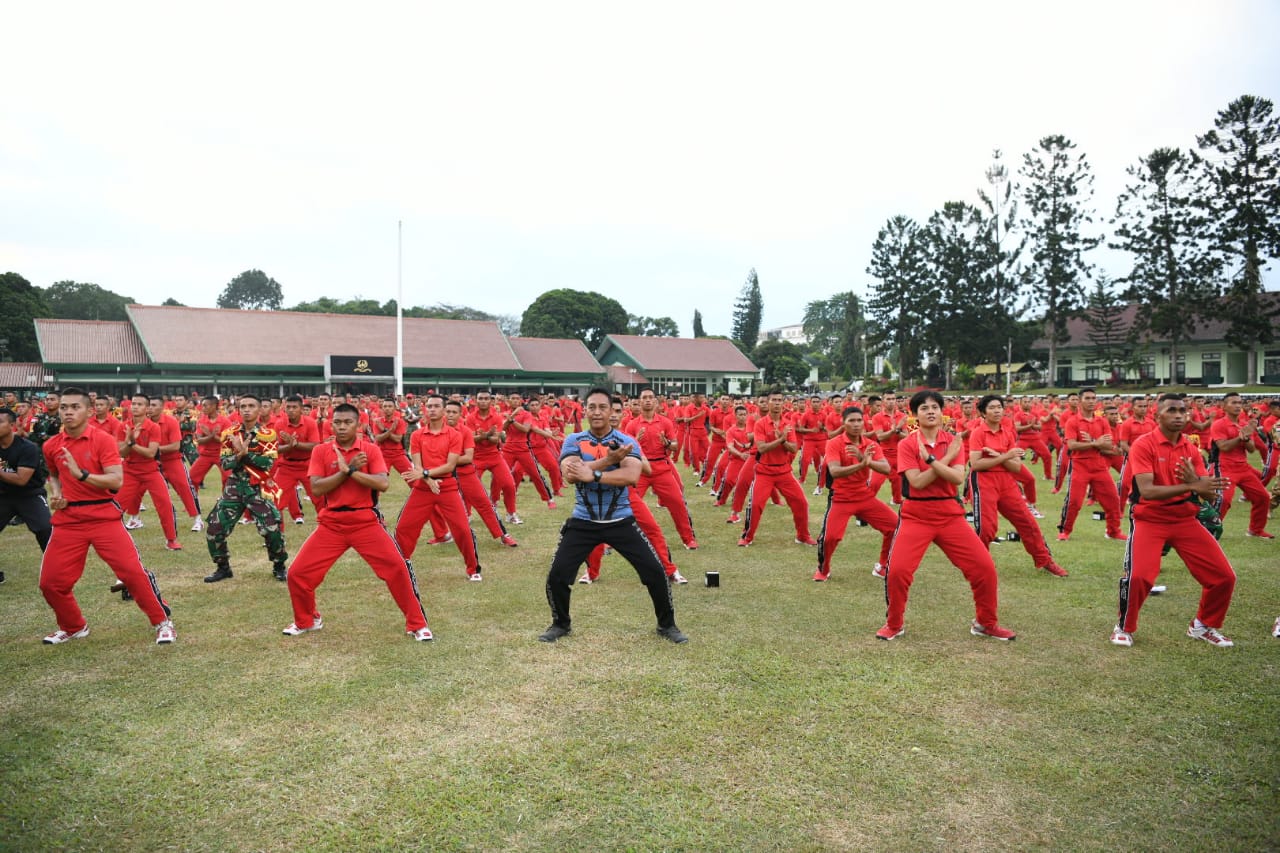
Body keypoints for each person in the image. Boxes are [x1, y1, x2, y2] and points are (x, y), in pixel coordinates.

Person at [538, 387, 688, 644]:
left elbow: (631, 476)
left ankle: (667, 625)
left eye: (602, 408)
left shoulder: (626, 441)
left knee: (655, 572)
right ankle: (560, 623)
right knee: (558, 576)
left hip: (621, 521)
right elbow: (570, 474)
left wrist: (593, 473)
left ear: (612, 412)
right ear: (585, 410)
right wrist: (607, 462)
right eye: (592, 407)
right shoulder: (573, 440)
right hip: (583, 521)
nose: (597, 412)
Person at [282, 403, 433, 641]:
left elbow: (382, 483)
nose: (342, 427)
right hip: (331, 524)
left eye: (347, 422)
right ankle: (307, 620)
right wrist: (345, 471)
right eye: (337, 422)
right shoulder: (321, 451)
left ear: (358, 425)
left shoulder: (370, 450)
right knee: (298, 573)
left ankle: (417, 624)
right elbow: (317, 488)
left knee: (397, 568)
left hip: (366, 522)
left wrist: (352, 472)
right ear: (331, 424)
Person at [37, 388, 175, 645]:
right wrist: (57, 493)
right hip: (68, 520)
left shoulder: (103, 440)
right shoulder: (51, 445)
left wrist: (82, 475)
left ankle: (162, 622)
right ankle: (73, 626)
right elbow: (54, 474)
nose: (68, 411)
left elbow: (116, 480)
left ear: (89, 411)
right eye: (64, 407)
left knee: (132, 574)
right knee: (51, 582)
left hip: (103, 516)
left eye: (74, 407)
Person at [877, 390, 1015, 642]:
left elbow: (957, 478)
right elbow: (916, 482)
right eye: (924, 408)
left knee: (984, 568)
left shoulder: (953, 441)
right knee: (897, 572)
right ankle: (894, 623)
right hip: (916, 515)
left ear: (942, 412)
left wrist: (932, 459)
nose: (930, 411)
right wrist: (945, 460)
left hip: (950, 514)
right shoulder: (907, 444)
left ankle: (986, 623)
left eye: (935, 407)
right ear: (915, 415)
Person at [1111, 394, 1237, 647]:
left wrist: (1198, 486)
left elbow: (1210, 492)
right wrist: (1191, 485)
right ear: (1158, 416)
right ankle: (1123, 626)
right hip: (1150, 518)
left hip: (1184, 519)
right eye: (1172, 410)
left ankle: (1202, 626)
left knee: (1224, 576)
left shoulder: (1190, 448)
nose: (1179, 415)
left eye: (1183, 410)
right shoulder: (1144, 445)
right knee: (1139, 577)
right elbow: (1148, 491)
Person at [967, 395, 1066, 577]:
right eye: (992, 408)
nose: (997, 411)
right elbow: (976, 464)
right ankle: (979, 565)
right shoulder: (978, 433)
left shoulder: (1006, 433)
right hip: (983, 481)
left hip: (1006, 481)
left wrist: (997, 455)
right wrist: (1005, 456)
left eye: (999, 407)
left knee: (1027, 522)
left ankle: (1044, 560)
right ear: (982, 413)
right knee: (987, 528)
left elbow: (1016, 466)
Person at [394, 393, 483, 580]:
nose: (432, 409)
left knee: (462, 529)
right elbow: (417, 465)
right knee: (404, 527)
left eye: (436, 406)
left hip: (448, 487)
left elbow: (450, 466)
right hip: (423, 488)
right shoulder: (417, 435)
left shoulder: (455, 435)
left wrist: (426, 473)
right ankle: (402, 566)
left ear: (443, 411)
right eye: (429, 406)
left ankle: (473, 569)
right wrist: (427, 479)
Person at [203, 394, 289, 583]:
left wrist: (244, 454)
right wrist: (238, 456)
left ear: (259, 410)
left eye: (251, 406)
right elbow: (225, 464)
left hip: (258, 485)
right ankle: (223, 567)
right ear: (238, 409)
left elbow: (267, 463)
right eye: (243, 406)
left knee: (271, 528)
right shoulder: (229, 433)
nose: (247, 409)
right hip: (234, 485)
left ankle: (279, 565)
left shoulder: (267, 434)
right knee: (214, 528)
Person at [815, 406, 898, 582]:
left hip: (864, 496)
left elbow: (885, 468)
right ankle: (824, 568)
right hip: (841, 497)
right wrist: (861, 464)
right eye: (851, 420)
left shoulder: (871, 444)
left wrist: (864, 459)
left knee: (894, 526)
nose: (856, 424)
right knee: (830, 537)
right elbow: (835, 471)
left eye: (859, 420)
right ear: (843, 423)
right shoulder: (834, 443)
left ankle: (882, 566)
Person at [739, 390, 814, 547]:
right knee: (756, 505)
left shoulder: (788, 424)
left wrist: (783, 441)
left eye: (780, 400)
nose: (777, 403)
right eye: (774, 400)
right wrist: (781, 439)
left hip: (784, 471)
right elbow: (761, 448)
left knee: (801, 502)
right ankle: (747, 537)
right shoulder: (760, 423)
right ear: (769, 402)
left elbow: (793, 448)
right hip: (764, 471)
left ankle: (802, 535)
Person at [1057, 388, 1125, 542]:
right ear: (1080, 401)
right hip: (1080, 465)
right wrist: (1097, 443)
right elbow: (1072, 445)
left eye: (1093, 398)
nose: (1091, 401)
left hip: (1098, 464)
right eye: (1087, 398)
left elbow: (1108, 445)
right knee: (1074, 501)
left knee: (1113, 499)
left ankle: (1113, 531)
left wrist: (1092, 441)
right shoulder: (1072, 421)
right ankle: (1064, 531)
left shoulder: (1102, 421)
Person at [117, 394, 182, 550]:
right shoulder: (123, 427)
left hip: (150, 470)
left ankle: (171, 540)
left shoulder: (153, 427)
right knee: (117, 506)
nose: (135, 407)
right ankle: (108, 537)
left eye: (139, 404)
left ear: (146, 409)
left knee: (165, 504)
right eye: (133, 403)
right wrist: (129, 442)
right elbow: (122, 453)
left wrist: (132, 443)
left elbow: (151, 453)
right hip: (130, 470)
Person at [1210, 392, 1273, 539]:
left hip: (1243, 467)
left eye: (1239, 402)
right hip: (1224, 467)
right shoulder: (1218, 424)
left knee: (1263, 497)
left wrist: (1246, 438)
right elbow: (1224, 447)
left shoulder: (1244, 424)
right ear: (1224, 407)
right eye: (1234, 403)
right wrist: (1240, 438)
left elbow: (1251, 449)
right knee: (1223, 500)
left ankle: (1255, 530)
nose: (1238, 405)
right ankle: (1209, 531)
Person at [0, 407, 54, 577]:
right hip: (3, 495)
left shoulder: (27, 447)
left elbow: (21, 479)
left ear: (12, 425)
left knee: (45, 528)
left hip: (29, 494)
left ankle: (55, 569)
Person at [147, 395, 203, 532]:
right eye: (149, 405)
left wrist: (155, 449)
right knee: (139, 492)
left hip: (172, 460)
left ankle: (197, 519)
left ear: (162, 407)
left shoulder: (171, 421)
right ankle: (134, 518)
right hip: (151, 462)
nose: (150, 408)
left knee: (185, 489)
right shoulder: (144, 423)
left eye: (154, 405)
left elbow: (175, 446)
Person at [272, 394, 320, 526]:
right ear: (284, 409)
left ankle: (329, 530)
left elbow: (315, 445)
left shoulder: (310, 423)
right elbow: (275, 448)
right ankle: (277, 538)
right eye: (288, 407)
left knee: (320, 500)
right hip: (287, 466)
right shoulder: (279, 424)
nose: (291, 410)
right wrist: (289, 446)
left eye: (295, 407)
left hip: (308, 465)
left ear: (301, 409)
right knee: (276, 501)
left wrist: (295, 444)